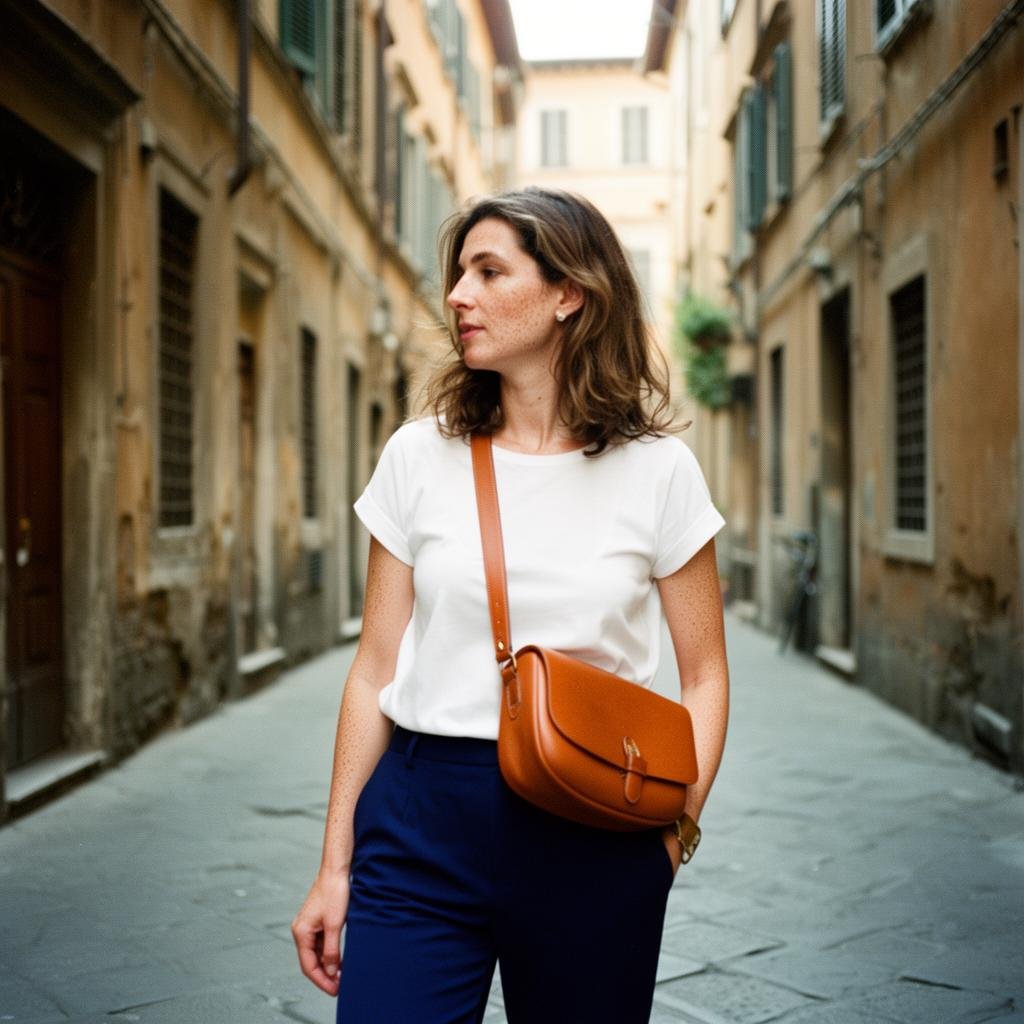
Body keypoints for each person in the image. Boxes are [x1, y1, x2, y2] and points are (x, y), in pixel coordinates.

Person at [291, 186, 730, 1024]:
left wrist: (673, 837)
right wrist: (334, 864)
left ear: (570, 294)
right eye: (460, 273)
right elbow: (374, 669)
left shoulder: (659, 473)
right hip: (422, 820)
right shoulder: (419, 456)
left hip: (595, 823)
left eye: (490, 272)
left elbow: (705, 674)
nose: (458, 295)